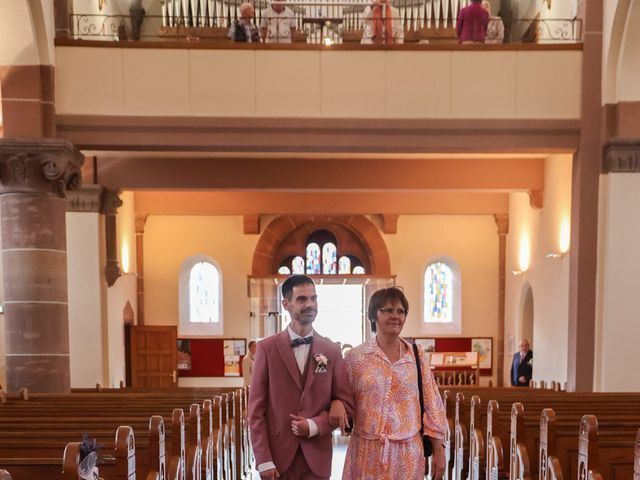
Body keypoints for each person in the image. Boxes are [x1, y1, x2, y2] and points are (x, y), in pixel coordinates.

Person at [248, 274, 352, 479]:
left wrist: (315, 425)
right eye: (302, 299)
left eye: (314, 298)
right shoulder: (266, 349)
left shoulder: (331, 350)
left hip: (317, 458)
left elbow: (346, 406)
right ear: (286, 304)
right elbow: (256, 411)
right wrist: (263, 460)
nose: (310, 304)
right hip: (277, 460)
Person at [342, 287, 447, 480]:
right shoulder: (355, 358)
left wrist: (439, 449)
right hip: (367, 452)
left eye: (401, 311)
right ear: (374, 314)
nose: (395, 316)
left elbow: (433, 404)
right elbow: (342, 400)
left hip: (407, 454)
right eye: (388, 310)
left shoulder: (417, 356)